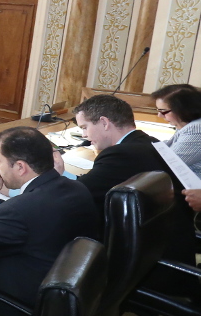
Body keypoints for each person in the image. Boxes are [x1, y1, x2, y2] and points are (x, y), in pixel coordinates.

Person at [0, 126, 99, 308]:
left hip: (21, 300)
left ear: (20, 167)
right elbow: (22, 221)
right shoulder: (74, 187)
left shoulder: (20, 210)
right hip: (73, 293)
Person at [66, 94, 191, 264]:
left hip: (149, 264)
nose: (84, 135)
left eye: (84, 127)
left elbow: (77, 194)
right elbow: (100, 182)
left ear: (104, 122)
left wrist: (54, 174)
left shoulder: (121, 154)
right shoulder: (150, 142)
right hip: (170, 251)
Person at [152, 84, 201, 179]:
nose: (160, 116)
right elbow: (165, 147)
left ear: (183, 110)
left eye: (164, 111)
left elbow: (169, 163)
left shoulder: (196, 129)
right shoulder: (186, 125)